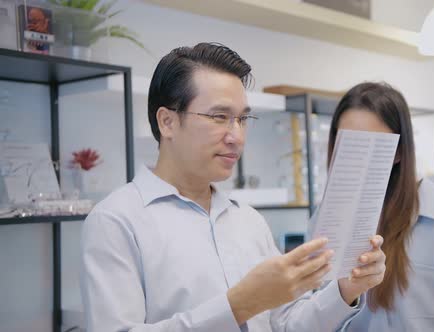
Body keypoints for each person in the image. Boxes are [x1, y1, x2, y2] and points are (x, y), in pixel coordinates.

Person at [80, 43, 386, 332]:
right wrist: (238, 305)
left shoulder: (248, 221)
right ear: (167, 122)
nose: (236, 136)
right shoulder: (116, 221)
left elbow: (288, 323)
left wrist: (347, 288)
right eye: (219, 117)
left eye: (242, 119)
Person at [327, 82, 434, 332]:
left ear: (398, 152)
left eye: (372, 145)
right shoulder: (325, 222)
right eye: (348, 143)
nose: (358, 158)